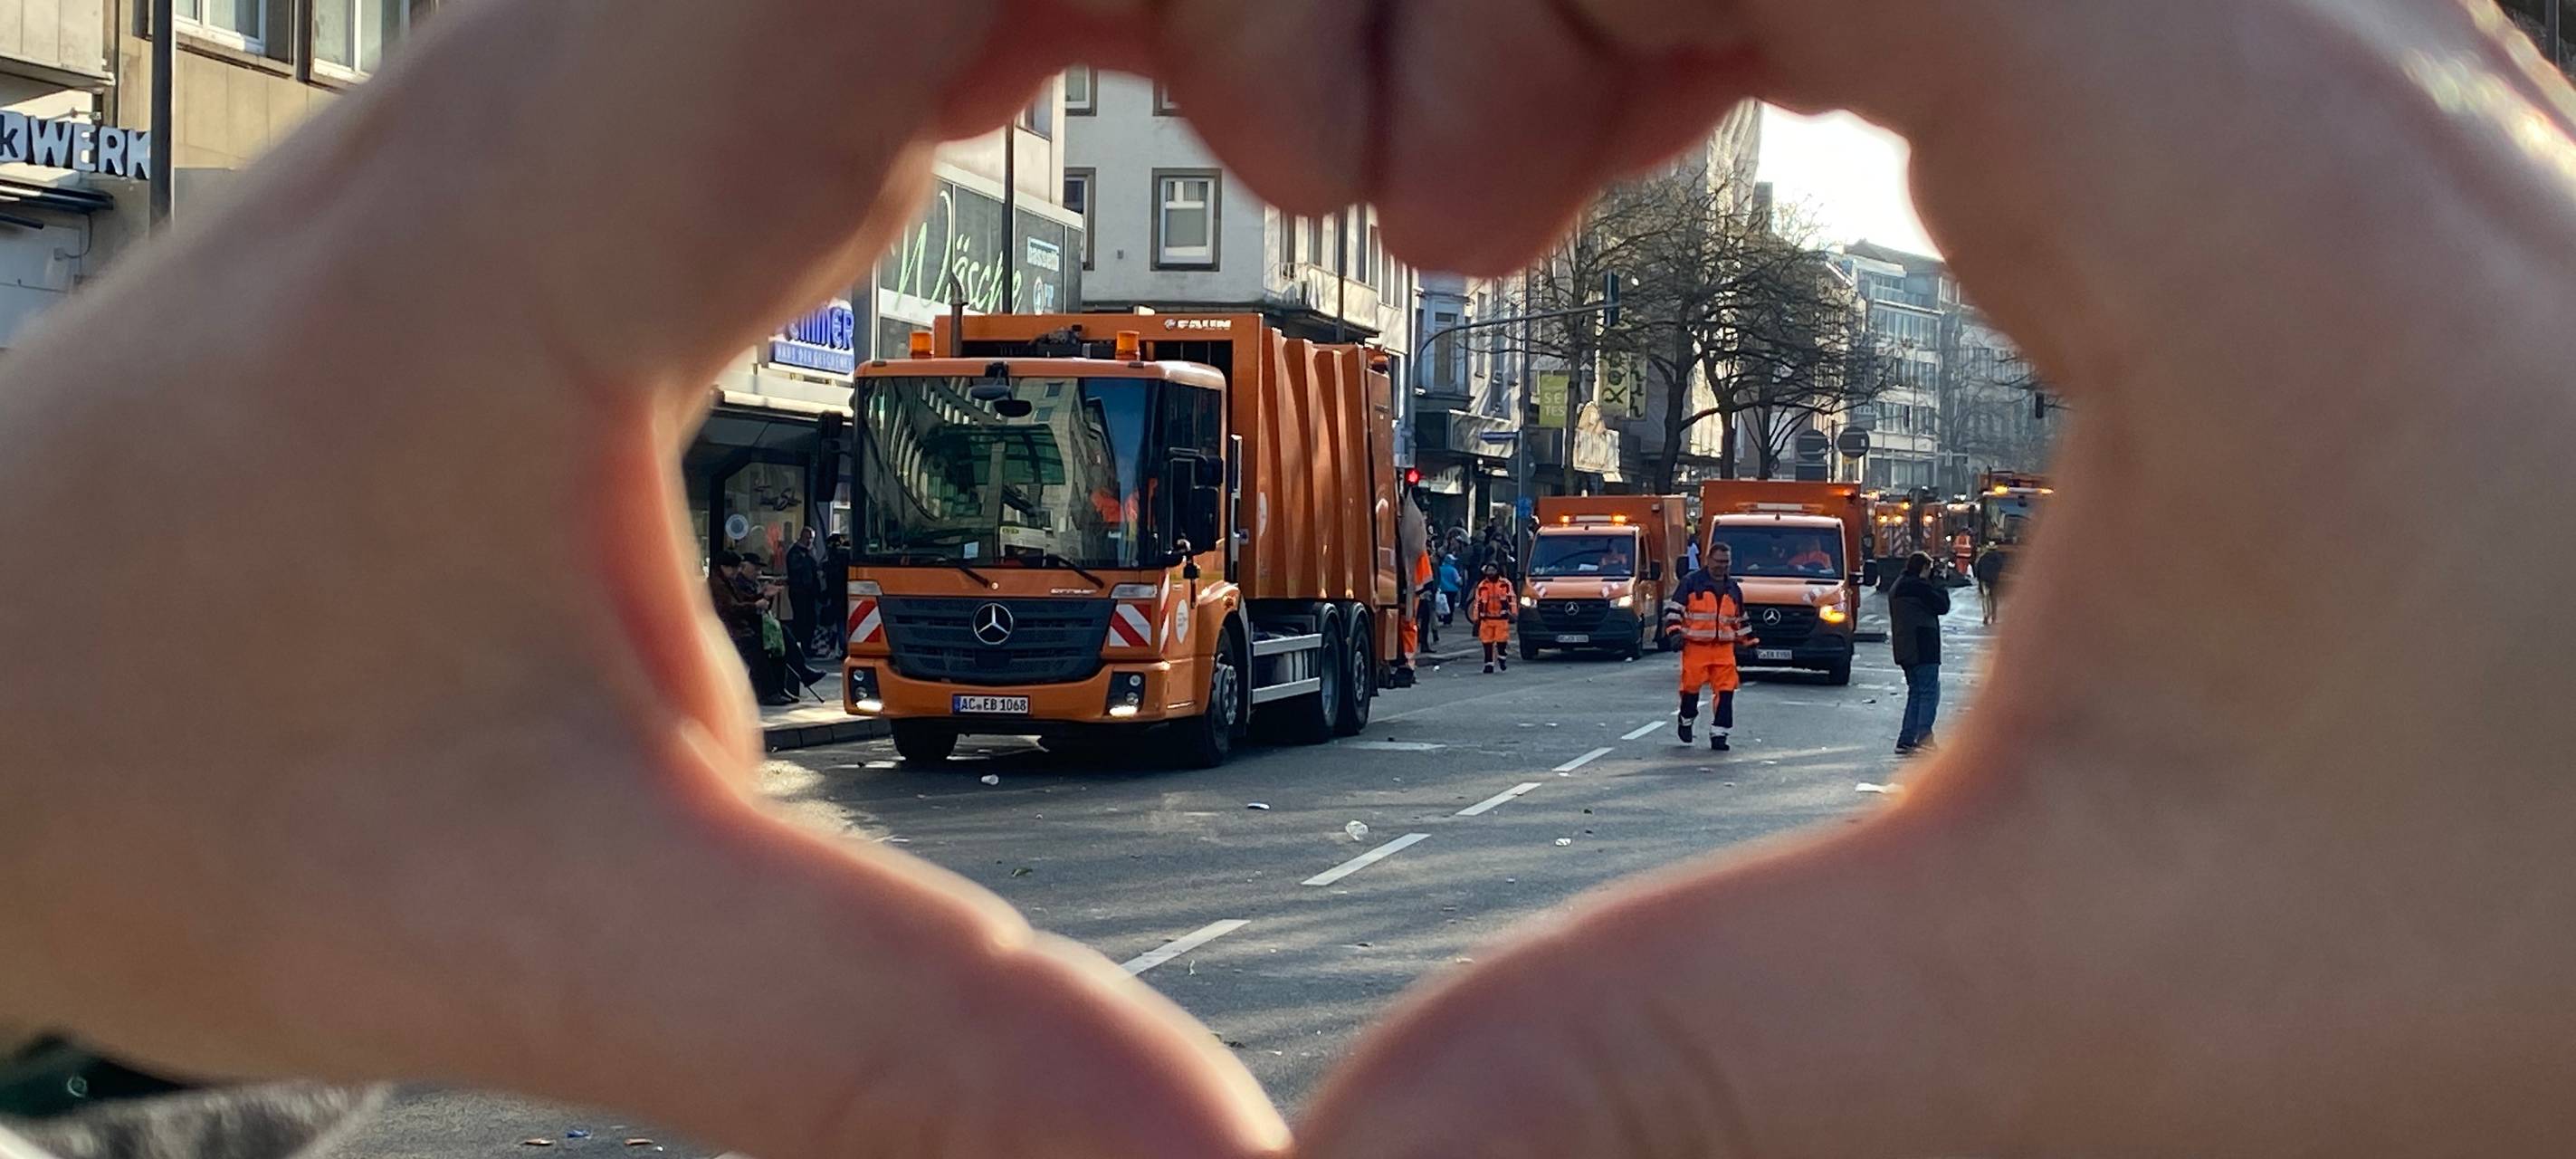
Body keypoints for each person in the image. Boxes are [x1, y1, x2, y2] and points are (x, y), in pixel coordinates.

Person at [8, 5, 2576, 1159]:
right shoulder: (970, 537)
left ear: (1202, 492)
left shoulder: (1307, 545)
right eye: (961, 469)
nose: (1004, 513)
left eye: (1073, 477)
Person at [1663, 542, 1754, 751]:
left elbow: (1740, 619)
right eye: (1718, 561)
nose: (1722, 566)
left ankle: (1719, 734)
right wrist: (1675, 633)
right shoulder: (1691, 583)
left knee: (1726, 691)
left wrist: (1749, 643)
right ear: (1708, 560)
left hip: (1723, 649)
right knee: (1690, 690)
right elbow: (1674, 611)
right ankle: (1686, 719)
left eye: (1726, 562)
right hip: (1696, 648)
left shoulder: (1733, 588)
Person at [710, 551, 794, 707]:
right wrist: (755, 605)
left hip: (737, 627)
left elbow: (741, 599)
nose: (736, 572)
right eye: (734, 569)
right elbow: (730, 608)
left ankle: (774, 689)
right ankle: (767, 692)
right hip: (731, 629)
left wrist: (762, 596)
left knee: (772, 646)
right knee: (757, 652)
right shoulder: (718, 585)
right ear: (724, 567)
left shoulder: (727, 582)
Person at [1889, 551, 1951, 754]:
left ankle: (1906, 739)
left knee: (1916, 692)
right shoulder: (1919, 587)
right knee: (1928, 692)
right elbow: (1943, 605)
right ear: (1923, 568)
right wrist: (1939, 582)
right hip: (1923, 645)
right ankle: (1924, 736)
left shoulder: (1898, 585)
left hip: (1905, 647)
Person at [1469, 562, 1516, 674]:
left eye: (1492, 570)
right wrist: (1476, 618)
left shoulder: (1505, 584)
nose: (1490, 573)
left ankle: (1502, 657)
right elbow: (1478, 602)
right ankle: (1488, 664)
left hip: (1501, 618)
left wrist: (1513, 613)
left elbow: (1512, 599)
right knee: (1487, 642)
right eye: (1488, 570)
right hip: (1487, 619)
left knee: (1501, 641)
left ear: (1497, 571)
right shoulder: (1482, 585)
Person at [785, 525, 823, 660]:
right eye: (807, 538)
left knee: (810, 621)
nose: (809, 541)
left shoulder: (807, 552)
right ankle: (801, 648)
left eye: (811, 539)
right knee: (801, 620)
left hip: (808, 592)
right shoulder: (795, 553)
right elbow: (797, 570)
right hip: (799, 592)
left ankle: (806, 647)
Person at [1973, 541, 2008, 626]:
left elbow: (1978, 568)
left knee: (1986, 598)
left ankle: (1986, 615)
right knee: (1993, 599)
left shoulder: (1983, 557)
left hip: (1984, 580)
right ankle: (1993, 616)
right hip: (1994, 580)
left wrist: (1979, 579)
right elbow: (2001, 567)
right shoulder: (1999, 558)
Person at [1436, 551, 1464, 626]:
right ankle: (1448, 621)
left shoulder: (1439, 569)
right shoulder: (1453, 570)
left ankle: (1442, 619)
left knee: (1442, 605)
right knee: (1450, 606)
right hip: (1452, 591)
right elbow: (1458, 581)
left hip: (1442, 590)